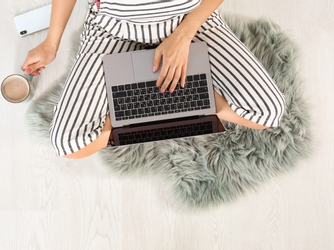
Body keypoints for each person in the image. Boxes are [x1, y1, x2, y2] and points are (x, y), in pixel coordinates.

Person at [22, 0, 285, 159]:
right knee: (68, 143)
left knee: (268, 112)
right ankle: (151, 111)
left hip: (188, 21)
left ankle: (191, 104)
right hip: (113, 28)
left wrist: (184, 35)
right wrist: (51, 43)